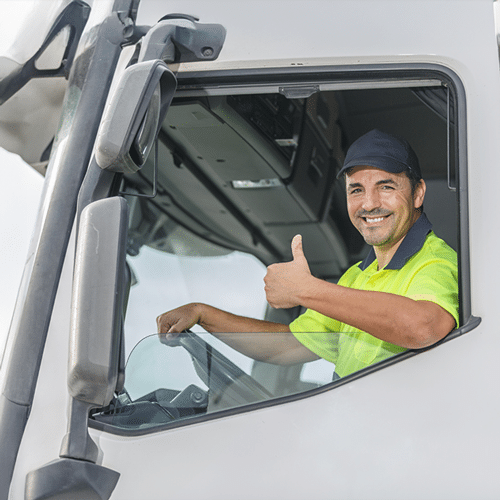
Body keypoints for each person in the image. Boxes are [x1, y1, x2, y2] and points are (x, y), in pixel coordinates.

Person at [157, 129, 459, 378]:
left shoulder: (435, 260)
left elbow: (424, 326)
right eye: (356, 190)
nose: (369, 204)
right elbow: (286, 346)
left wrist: (306, 290)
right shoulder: (356, 277)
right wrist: (203, 313)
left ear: (418, 193)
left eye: (386, 186)